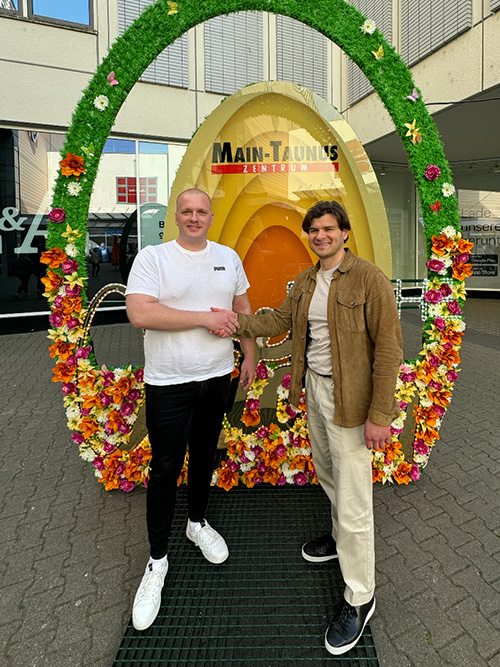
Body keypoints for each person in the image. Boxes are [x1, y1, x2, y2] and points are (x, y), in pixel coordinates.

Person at [212, 200, 402, 655]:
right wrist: (234, 322)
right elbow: (279, 320)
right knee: (330, 475)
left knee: (354, 500)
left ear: (345, 232)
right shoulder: (306, 280)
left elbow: (389, 349)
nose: (321, 236)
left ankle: (360, 596)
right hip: (315, 390)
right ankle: (338, 541)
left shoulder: (369, 279)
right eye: (314, 230)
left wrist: (380, 414)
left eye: (328, 228)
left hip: (352, 399)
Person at [125, 188, 255, 631]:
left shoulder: (228, 257)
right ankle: (157, 561)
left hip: (216, 377)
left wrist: (249, 353)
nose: (194, 217)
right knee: (165, 467)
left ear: (211, 216)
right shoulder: (154, 258)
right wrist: (203, 317)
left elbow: (241, 307)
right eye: (187, 211)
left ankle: (196, 523)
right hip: (168, 383)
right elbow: (140, 313)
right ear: (176, 217)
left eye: (201, 211)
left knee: (203, 455)